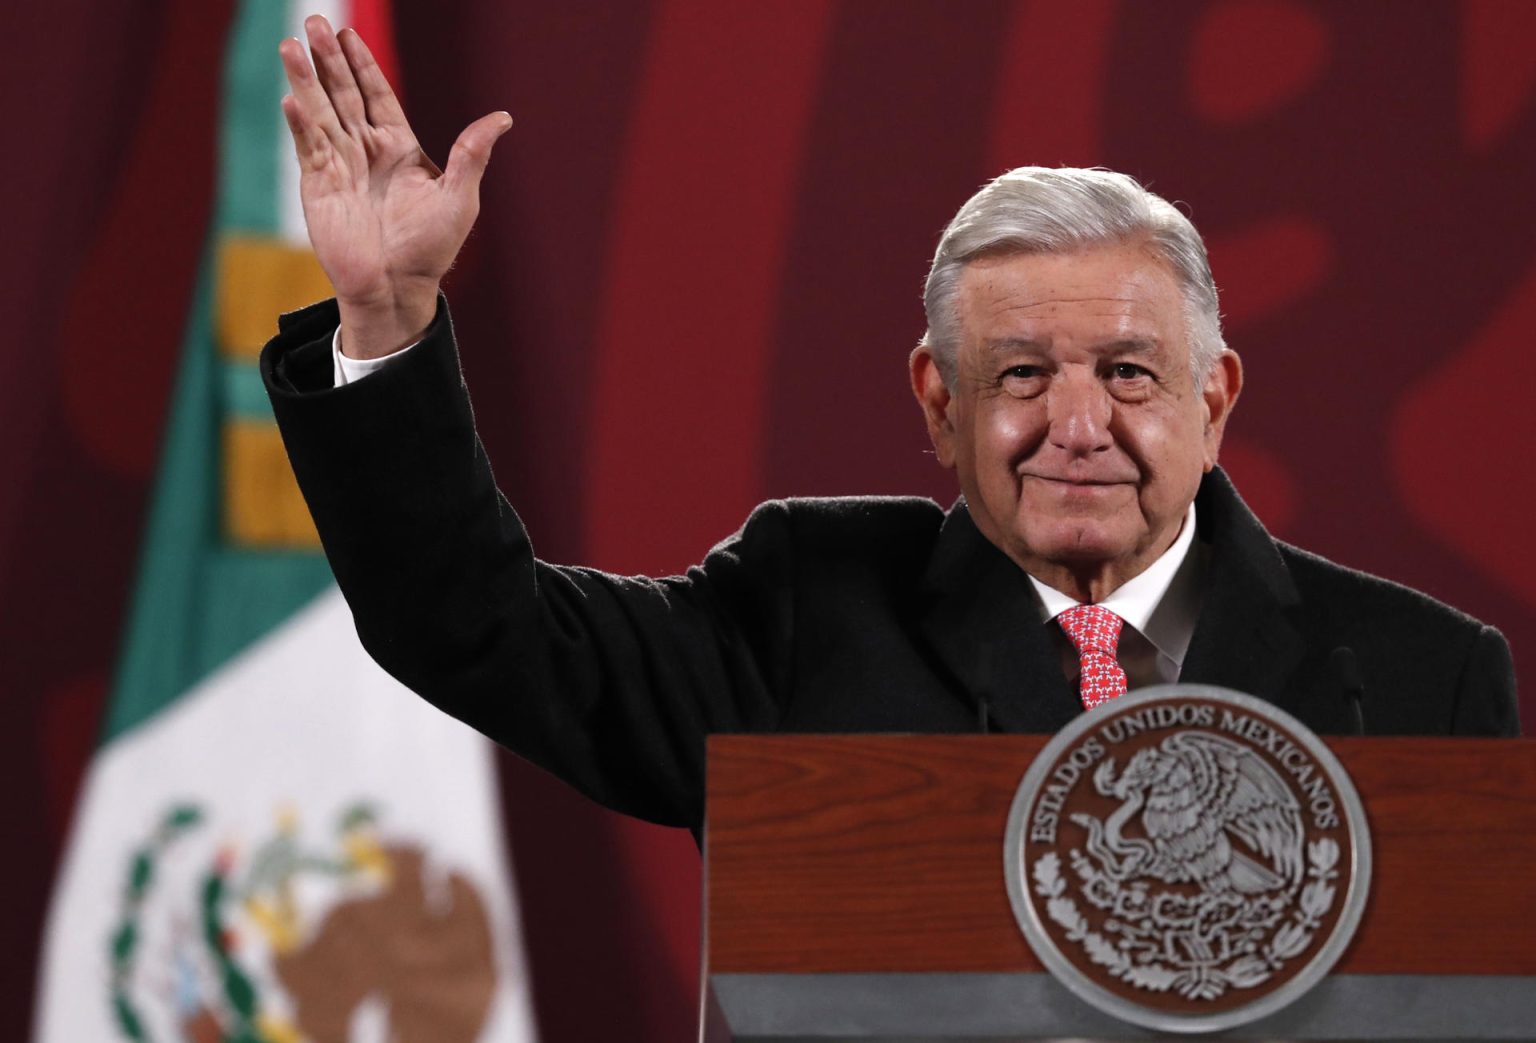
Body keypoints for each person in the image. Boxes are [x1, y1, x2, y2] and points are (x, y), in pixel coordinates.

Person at [262, 17, 1519, 832]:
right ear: (939, 404)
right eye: (1021, 375)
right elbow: (470, 623)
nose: (1076, 425)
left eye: (1130, 374)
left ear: (1215, 400)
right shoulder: (807, 611)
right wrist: (388, 312)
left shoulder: (1423, 679)